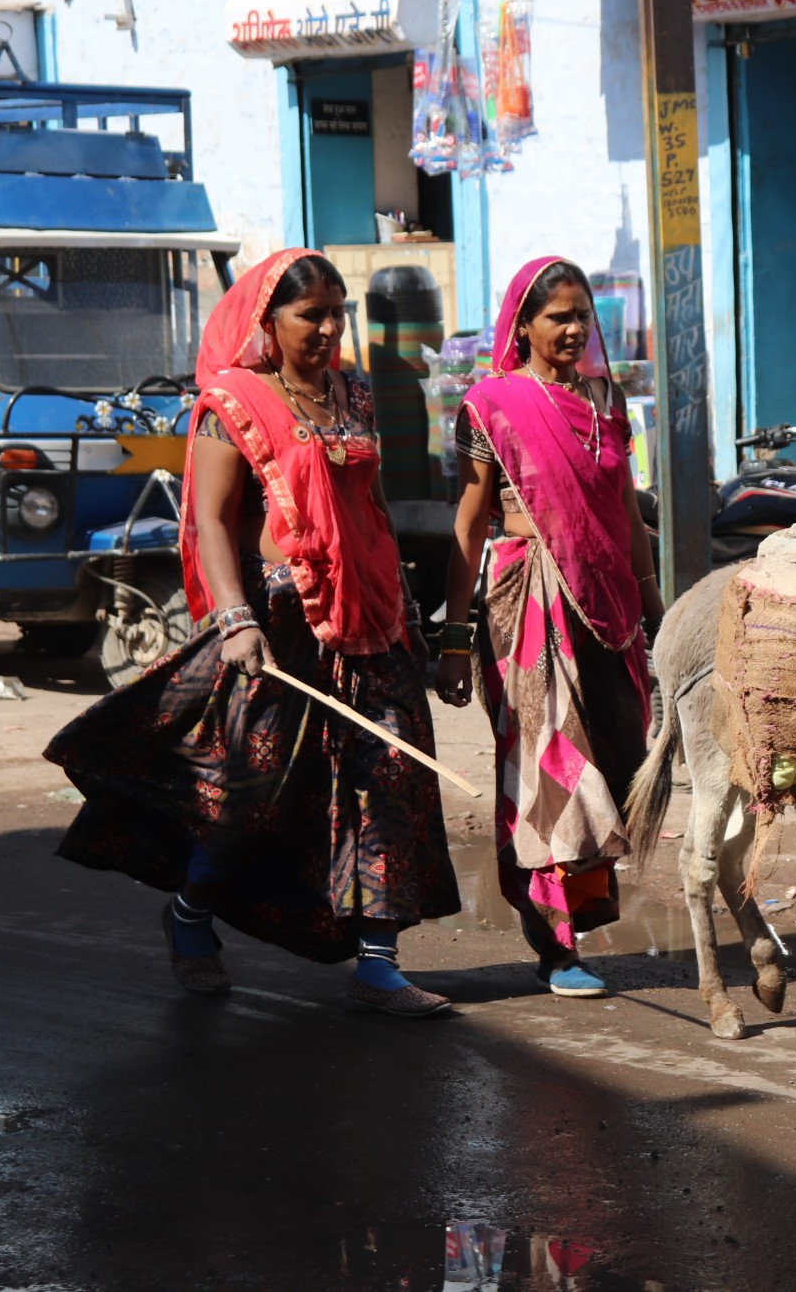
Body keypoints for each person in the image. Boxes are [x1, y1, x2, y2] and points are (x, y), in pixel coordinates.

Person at [46, 248, 461, 1017]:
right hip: (278, 626)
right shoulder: (230, 401)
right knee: (246, 791)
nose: (331, 329)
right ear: (269, 321)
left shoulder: (355, 394)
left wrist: (417, 622)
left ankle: (378, 966)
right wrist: (235, 621)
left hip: (373, 620)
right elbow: (208, 520)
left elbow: (370, 511)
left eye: (340, 313)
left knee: (389, 781)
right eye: (314, 314)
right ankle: (190, 912)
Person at [435, 257, 663, 998]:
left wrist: (657, 605)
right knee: (550, 764)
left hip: (607, 604)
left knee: (619, 759)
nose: (571, 329)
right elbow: (469, 529)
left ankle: (581, 918)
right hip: (529, 600)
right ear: (522, 325)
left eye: (580, 315)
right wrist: (453, 637)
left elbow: (625, 510)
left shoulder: (606, 398)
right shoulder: (493, 405)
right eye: (556, 316)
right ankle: (553, 945)